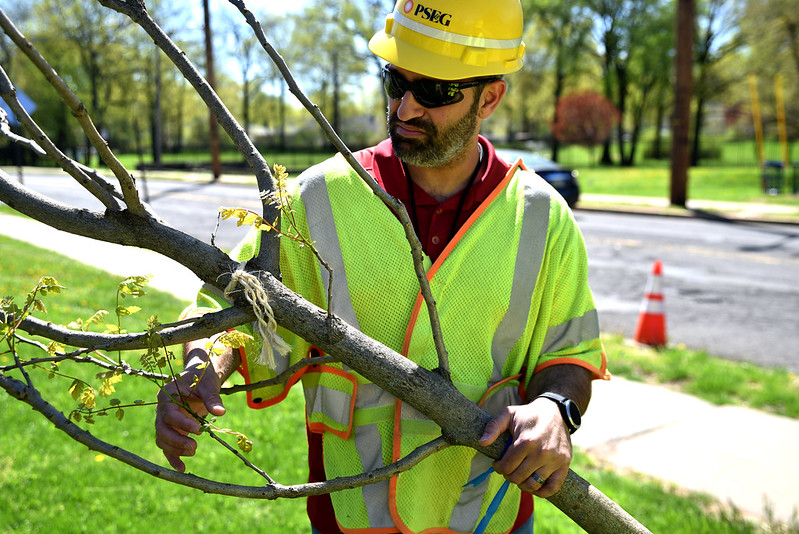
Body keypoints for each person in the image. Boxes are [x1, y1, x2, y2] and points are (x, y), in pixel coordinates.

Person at [155, 0, 609, 532]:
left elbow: (570, 353)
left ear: (490, 96)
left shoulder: (542, 217)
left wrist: (558, 408)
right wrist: (201, 366)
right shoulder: (315, 199)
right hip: (352, 520)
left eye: (436, 91)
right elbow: (240, 311)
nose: (406, 109)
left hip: (489, 518)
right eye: (396, 81)